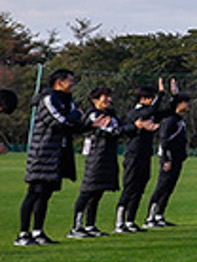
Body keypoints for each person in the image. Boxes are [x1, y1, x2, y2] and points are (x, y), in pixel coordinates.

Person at [19, 70, 85, 246]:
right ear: (59, 82)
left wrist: (89, 125)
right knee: (34, 192)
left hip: (58, 155)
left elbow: (73, 125)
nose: (73, 84)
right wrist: (77, 115)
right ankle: (23, 234)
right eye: (70, 81)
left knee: (46, 194)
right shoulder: (48, 99)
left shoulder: (67, 101)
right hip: (43, 153)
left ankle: (38, 231)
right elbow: (59, 121)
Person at [69, 86, 122, 238]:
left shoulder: (110, 114)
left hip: (108, 155)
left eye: (109, 97)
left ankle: (90, 225)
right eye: (105, 97)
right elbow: (111, 130)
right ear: (95, 100)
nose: (109, 100)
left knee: (98, 192)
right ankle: (76, 227)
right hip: (96, 155)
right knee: (87, 191)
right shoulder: (93, 114)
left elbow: (121, 127)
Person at [114, 82, 165, 234]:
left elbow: (167, 111)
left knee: (140, 188)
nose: (154, 101)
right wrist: (161, 94)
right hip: (133, 155)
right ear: (143, 99)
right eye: (152, 98)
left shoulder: (149, 112)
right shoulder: (135, 113)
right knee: (129, 187)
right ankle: (119, 222)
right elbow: (151, 111)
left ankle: (130, 220)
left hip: (145, 155)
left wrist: (174, 96)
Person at [144, 90, 191, 228]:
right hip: (169, 159)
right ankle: (150, 218)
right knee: (161, 187)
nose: (188, 105)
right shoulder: (170, 120)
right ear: (179, 104)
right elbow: (164, 141)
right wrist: (166, 159)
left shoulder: (179, 120)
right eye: (186, 102)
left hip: (177, 159)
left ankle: (160, 215)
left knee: (169, 188)